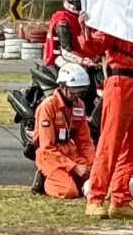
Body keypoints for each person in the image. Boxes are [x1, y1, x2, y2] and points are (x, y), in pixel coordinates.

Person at [78, 19, 133, 219]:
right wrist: (85, 28)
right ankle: (95, 198)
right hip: (120, 83)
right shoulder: (116, 23)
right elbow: (93, 46)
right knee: (110, 144)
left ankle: (119, 199)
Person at [32, 63, 97, 199]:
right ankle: (44, 179)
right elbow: (46, 148)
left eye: (81, 91)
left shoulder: (79, 105)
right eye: (74, 91)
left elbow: (85, 142)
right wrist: (74, 167)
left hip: (70, 154)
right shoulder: (48, 106)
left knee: (98, 179)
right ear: (62, 86)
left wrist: (93, 164)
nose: (77, 95)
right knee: (69, 192)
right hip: (50, 157)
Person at [43, 0, 88, 68]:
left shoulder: (86, 18)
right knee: (80, 73)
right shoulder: (62, 20)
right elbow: (66, 51)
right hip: (60, 59)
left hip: (81, 56)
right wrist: (83, 61)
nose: (80, 0)